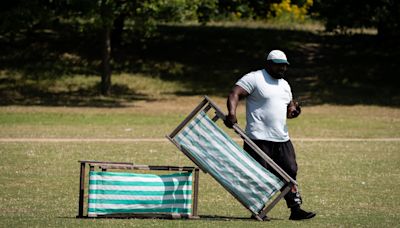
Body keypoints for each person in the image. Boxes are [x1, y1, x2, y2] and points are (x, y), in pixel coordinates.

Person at [224, 50, 316, 220]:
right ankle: (258, 209)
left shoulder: (285, 85)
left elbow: (288, 109)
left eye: (285, 65)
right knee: (259, 175)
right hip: (258, 138)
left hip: (281, 138)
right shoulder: (255, 78)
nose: (282, 68)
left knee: (290, 171)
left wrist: (293, 112)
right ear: (269, 64)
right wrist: (231, 113)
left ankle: (295, 209)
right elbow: (234, 93)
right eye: (279, 64)